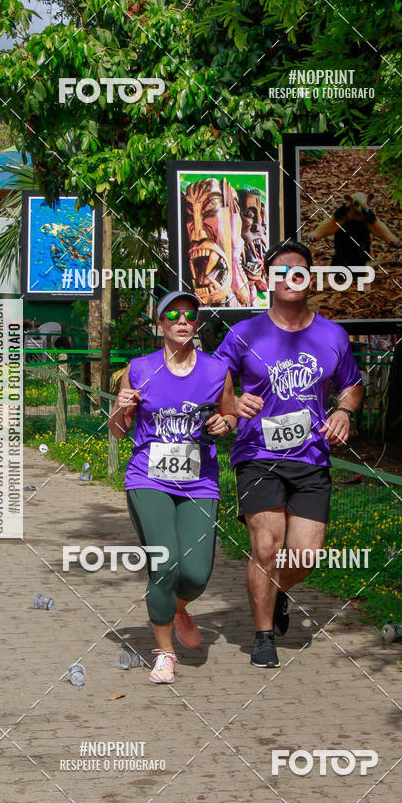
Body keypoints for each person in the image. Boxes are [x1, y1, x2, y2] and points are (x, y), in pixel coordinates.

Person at [214, 240, 364, 669]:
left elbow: (351, 384)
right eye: (281, 271)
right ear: (268, 280)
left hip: (311, 456)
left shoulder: (332, 335)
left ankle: (275, 591)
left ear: (309, 279)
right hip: (257, 453)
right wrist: (231, 405)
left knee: (305, 555)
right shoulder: (245, 333)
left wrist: (343, 410)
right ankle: (262, 636)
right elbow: (216, 379)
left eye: (299, 270)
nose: (290, 277)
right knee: (266, 546)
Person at [108, 291, 237, 684]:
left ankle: (176, 607)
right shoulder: (140, 368)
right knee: (165, 565)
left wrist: (224, 424)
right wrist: (120, 406)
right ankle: (164, 652)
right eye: (174, 315)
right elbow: (117, 429)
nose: (183, 320)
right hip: (148, 478)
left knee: (196, 574)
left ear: (196, 325)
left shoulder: (217, 371)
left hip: (199, 481)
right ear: (160, 324)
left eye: (190, 316)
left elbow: (230, 415)